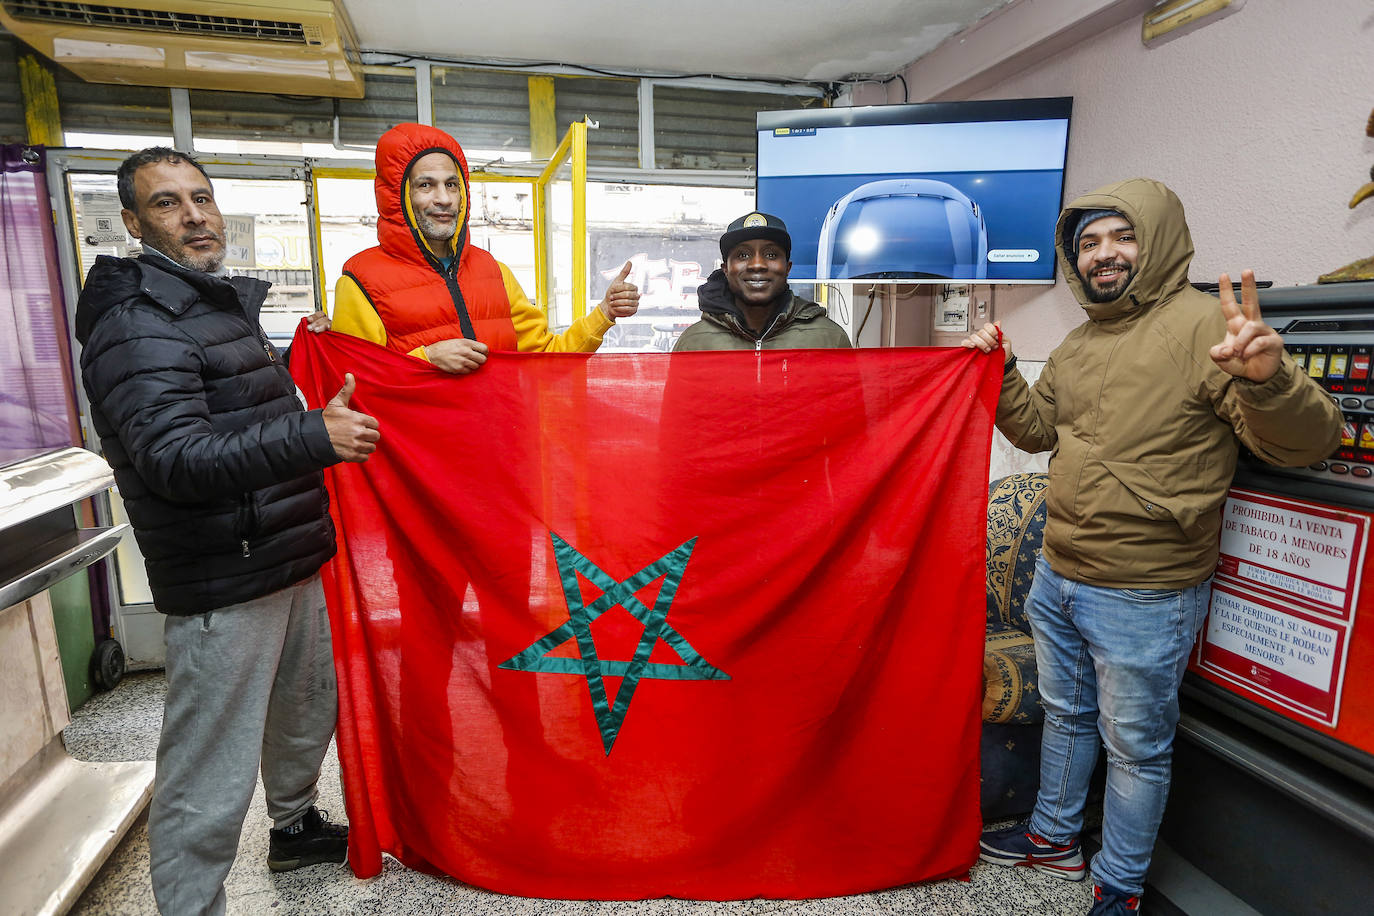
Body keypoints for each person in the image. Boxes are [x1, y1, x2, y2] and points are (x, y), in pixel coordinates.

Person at [963, 178, 1341, 915]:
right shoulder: (1077, 344)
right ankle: (1053, 842)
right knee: (1066, 716)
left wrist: (1270, 383)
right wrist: (1005, 371)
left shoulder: (1208, 326)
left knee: (1136, 747)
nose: (1103, 255)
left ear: (1158, 240)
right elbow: (1039, 431)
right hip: (1061, 571)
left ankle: (1121, 885)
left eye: (1121, 237)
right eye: (1089, 243)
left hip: (1146, 590)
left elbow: (1311, 442)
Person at [75, 147, 380, 916]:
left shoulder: (211, 305)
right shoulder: (134, 324)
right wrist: (314, 436)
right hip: (224, 575)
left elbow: (241, 414)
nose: (195, 215)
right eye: (170, 203)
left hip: (286, 555)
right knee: (208, 770)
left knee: (304, 713)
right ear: (133, 223)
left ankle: (294, 826)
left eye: (202, 198)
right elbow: (175, 459)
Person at [331, 122, 639, 369]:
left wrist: (604, 313)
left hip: (499, 443)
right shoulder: (361, 281)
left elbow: (546, 356)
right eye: (426, 185)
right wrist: (427, 359)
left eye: (452, 184)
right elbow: (353, 386)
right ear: (398, 194)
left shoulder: (494, 272)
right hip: (419, 449)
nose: (444, 198)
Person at [673, 211, 851, 351]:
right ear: (725, 269)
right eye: (743, 255)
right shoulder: (695, 342)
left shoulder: (829, 338)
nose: (757, 264)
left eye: (771, 254)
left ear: (787, 268)